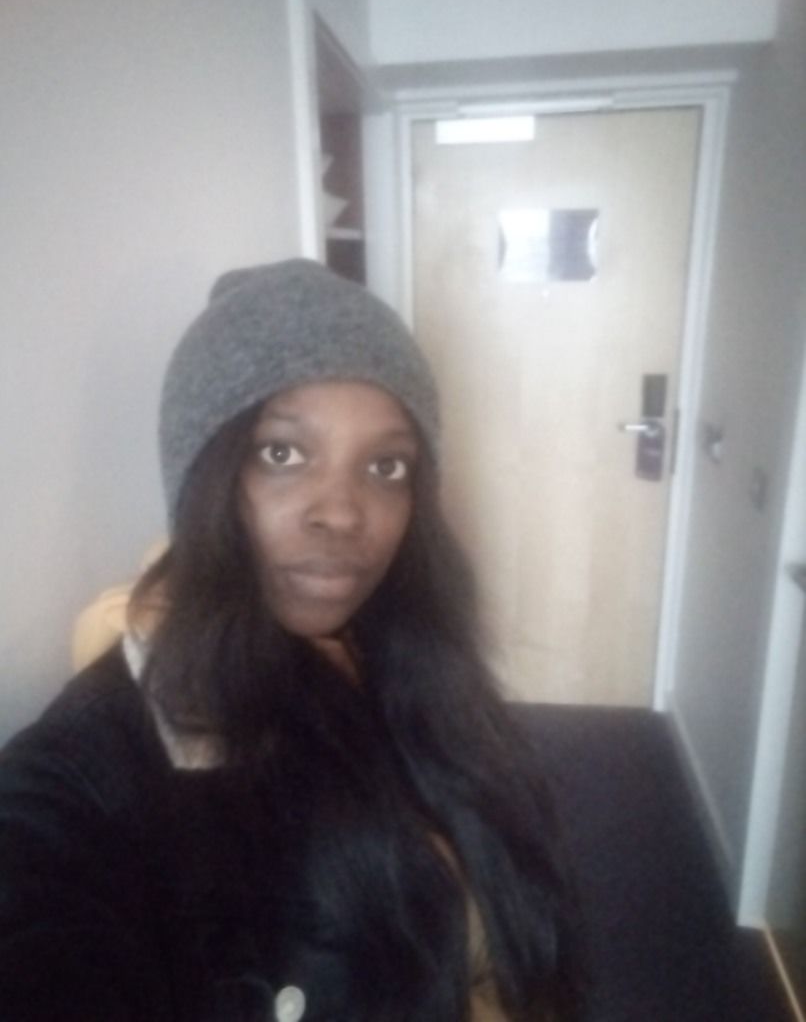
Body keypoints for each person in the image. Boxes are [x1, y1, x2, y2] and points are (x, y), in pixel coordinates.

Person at [0, 259, 585, 1021]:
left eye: (386, 465)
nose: (341, 513)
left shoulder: (408, 654)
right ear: (202, 477)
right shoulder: (88, 777)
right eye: (282, 453)